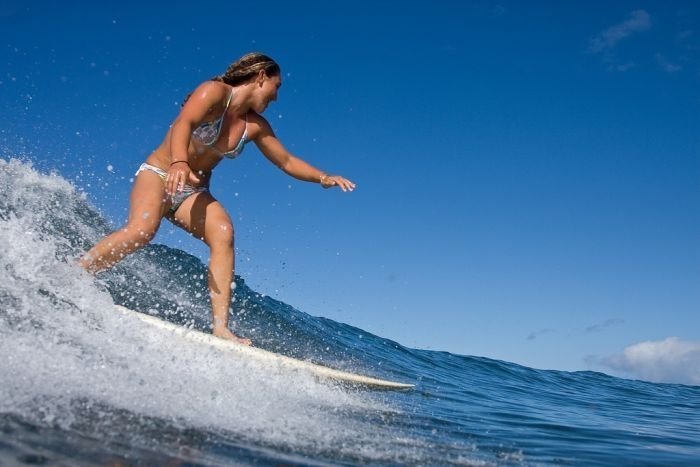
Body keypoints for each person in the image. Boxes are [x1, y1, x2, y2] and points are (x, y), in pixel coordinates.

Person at [79, 52, 355, 345]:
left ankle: (220, 328)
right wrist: (179, 163)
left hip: (193, 193)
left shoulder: (255, 126)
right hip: (161, 174)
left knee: (223, 232)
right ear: (260, 77)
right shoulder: (214, 92)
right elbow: (184, 123)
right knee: (142, 230)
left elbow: (286, 161)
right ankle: (78, 274)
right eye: (277, 86)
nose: (276, 97)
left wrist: (323, 177)